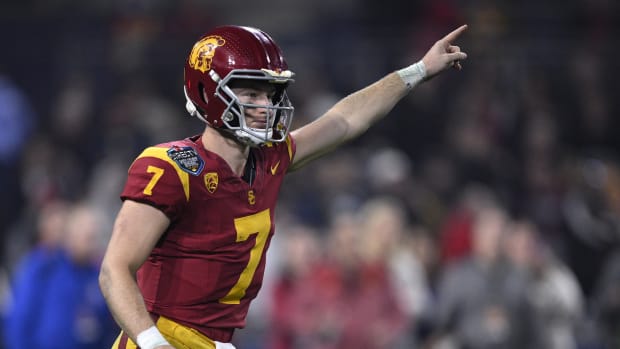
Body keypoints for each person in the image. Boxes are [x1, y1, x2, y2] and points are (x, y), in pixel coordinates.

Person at [98, 24, 468, 349]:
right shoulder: (173, 167)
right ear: (209, 93)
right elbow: (114, 269)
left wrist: (417, 71)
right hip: (163, 337)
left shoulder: (270, 158)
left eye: (270, 95)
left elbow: (345, 120)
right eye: (252, 94)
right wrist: (152, 343)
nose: (266, 106)